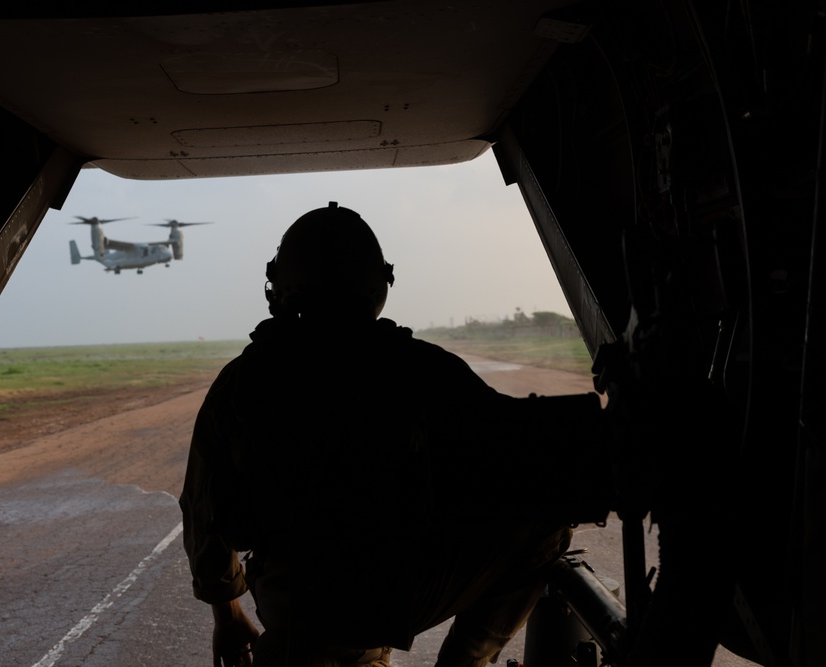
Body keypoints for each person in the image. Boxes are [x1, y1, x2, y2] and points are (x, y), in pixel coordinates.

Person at [179, 202, 608, 667]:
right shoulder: (419, 368)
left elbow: (203, 509)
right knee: (547, 521)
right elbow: (521, 462)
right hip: (392, 598)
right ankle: (463, 662)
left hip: (291, 605)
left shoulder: (241, 383)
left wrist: (228, 615)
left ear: (278, 287)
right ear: (376, 286)